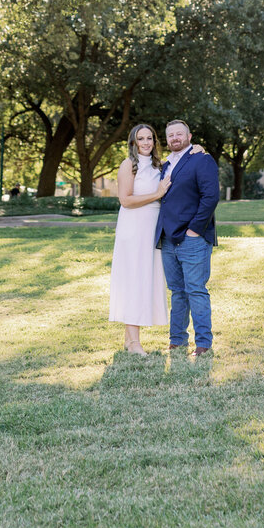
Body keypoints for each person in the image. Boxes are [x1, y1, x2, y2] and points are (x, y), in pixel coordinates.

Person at [155, 119, 221, 357]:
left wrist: (195, 229)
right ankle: (177, 340)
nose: (175, 138)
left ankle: (203, 343)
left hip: (192, 238)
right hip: (168, 238)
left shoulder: (201, 159)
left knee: (195, 289)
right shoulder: (165, 165)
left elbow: (210, 197)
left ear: (189, 137)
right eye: (170, 135)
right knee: (177, 291)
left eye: (179, 134)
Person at [108, 124, 171, 355]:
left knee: (145, 278)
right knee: (134, 278)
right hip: (133, 227)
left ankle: (128, 338)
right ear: (133, 143)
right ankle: (134, 343)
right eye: (140, 139)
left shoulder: (160, 166)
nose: (145, 143)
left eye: (149, 138)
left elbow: (183, 157)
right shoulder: (128, 165)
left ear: (154, 141)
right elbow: (125, 200)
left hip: (152, 228)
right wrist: (157, 194)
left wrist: (199, 148)